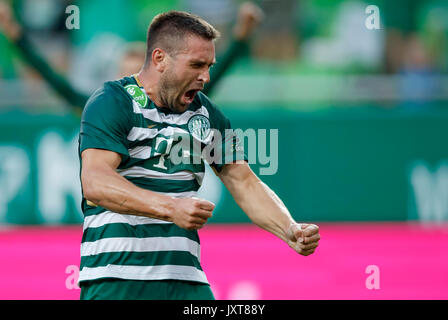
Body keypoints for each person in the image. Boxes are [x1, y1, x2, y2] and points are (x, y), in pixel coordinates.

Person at [78, 10, 320, 300]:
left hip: (185, 278)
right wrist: (170, 207)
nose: (205, 76)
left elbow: (243, 181)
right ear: (159, 59)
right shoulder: (113, 101)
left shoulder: (206, 113)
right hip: (116, 277)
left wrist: (289, 229)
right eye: (196, 65)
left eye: (209, 66)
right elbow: (95, 181)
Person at [0, 1, 263, 113]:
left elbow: (209, 80)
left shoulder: (171, 109)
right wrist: (17, 37)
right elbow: (55, 82)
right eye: (123, 74)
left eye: (135, 73)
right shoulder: (101, 110)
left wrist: (241, 38)